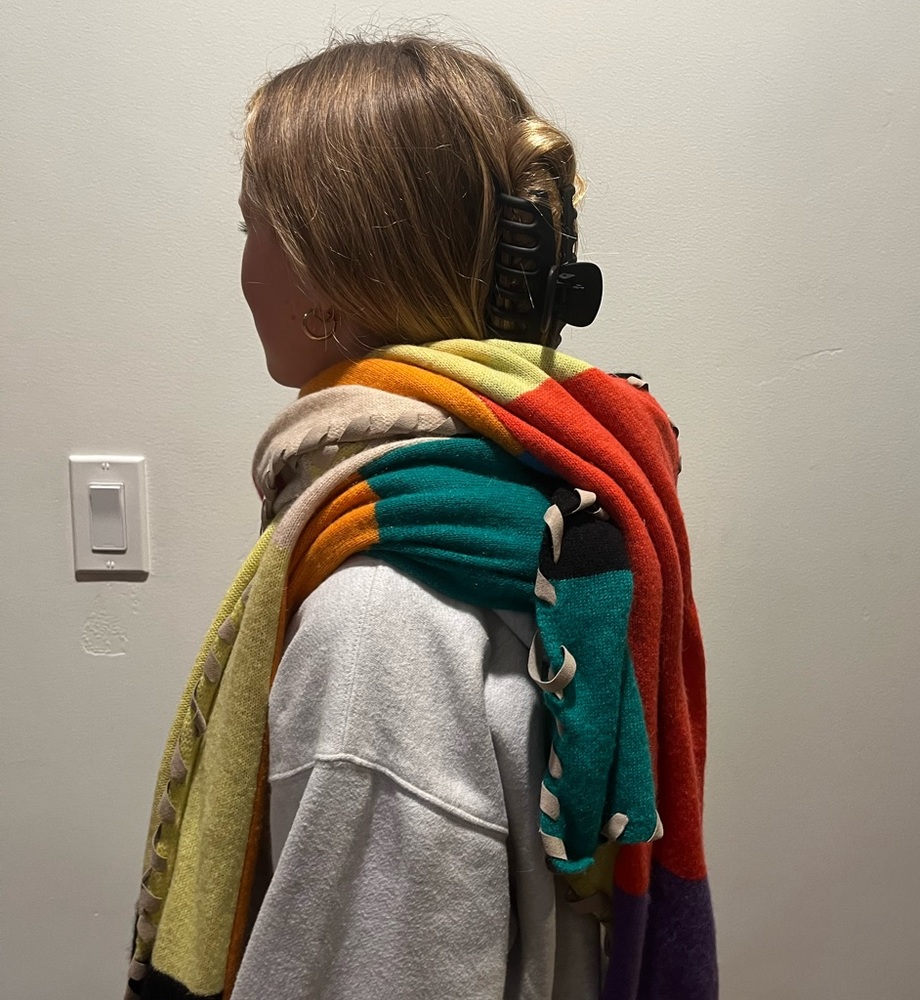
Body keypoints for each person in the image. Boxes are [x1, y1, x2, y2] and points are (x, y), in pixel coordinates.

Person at [125, 34, 717, 1000]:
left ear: (323, 277)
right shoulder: (544, 495)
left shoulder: (380, 619)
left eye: (250, 227)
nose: (242, 266)